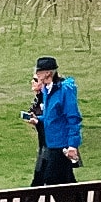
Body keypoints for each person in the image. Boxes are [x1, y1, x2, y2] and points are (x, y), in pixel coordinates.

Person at [24, 55, 83, 188]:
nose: (37, 75)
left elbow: (73, 118)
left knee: (52, 179)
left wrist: (73, 145)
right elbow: (52, 117)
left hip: (62, 145)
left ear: (48, 73)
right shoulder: (47, 90)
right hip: (50, 144)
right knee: (65, 181)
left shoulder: (64, 91)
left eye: (39, 72)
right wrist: (38, 120)